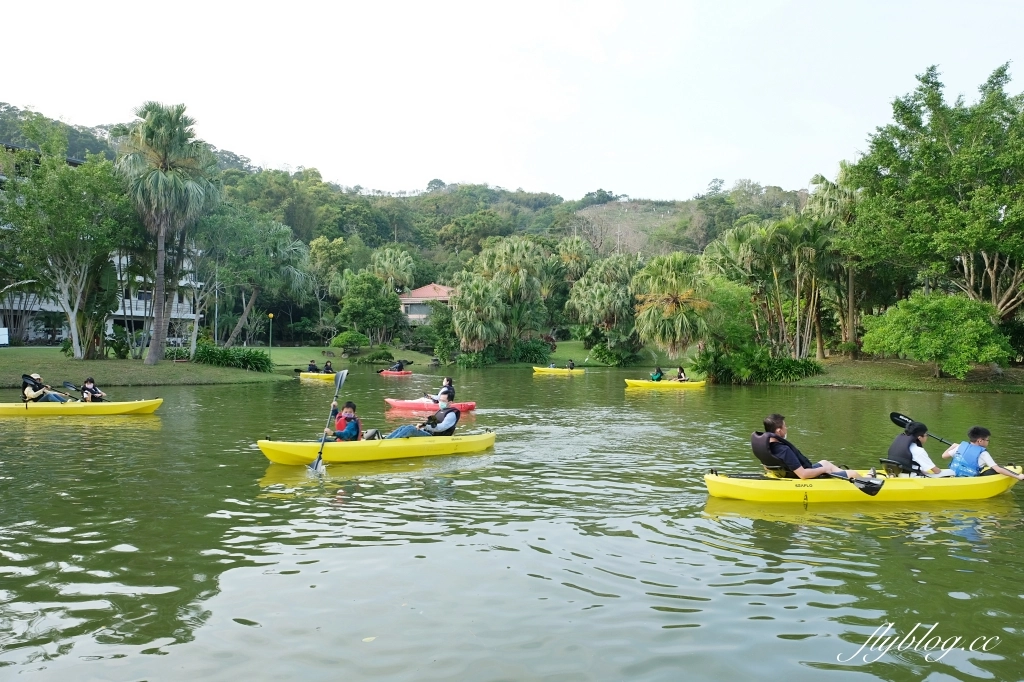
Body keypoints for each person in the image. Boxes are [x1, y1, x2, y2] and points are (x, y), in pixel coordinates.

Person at [760, 413, 860, 480]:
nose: (786, 428)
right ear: (779, 431)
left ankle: (843, 474)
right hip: (804, 476)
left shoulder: (767, 446)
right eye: (785, 426)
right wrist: (824, 470)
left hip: (791, 472)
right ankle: (868, 481)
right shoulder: (783, 450)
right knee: (853, 474)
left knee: (825, 462)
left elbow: (766, 466)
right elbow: (803, 475)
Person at [942, 426, 1024, 481]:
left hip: (954, 476)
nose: (988, 442)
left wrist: (953, 446)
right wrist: (1018, 476)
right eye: (988, 440)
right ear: (980, 441)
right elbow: (998, 469)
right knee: (997, 468)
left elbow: (944, 456)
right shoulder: (983, 454)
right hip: (970, 481)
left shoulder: (959, 447)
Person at [386, 388, 460, 439]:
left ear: (450, 403)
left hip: (435, 439)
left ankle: (388, 443)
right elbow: (431, 423)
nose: (440, 402)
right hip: (428, 433)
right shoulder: (440, 411)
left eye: (443, 401)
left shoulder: (451, 414)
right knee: (404, 427)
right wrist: (422, 426)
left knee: (410, 429)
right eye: (440, 400)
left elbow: (441, 428)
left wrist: (424, 426)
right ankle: (385, 440)